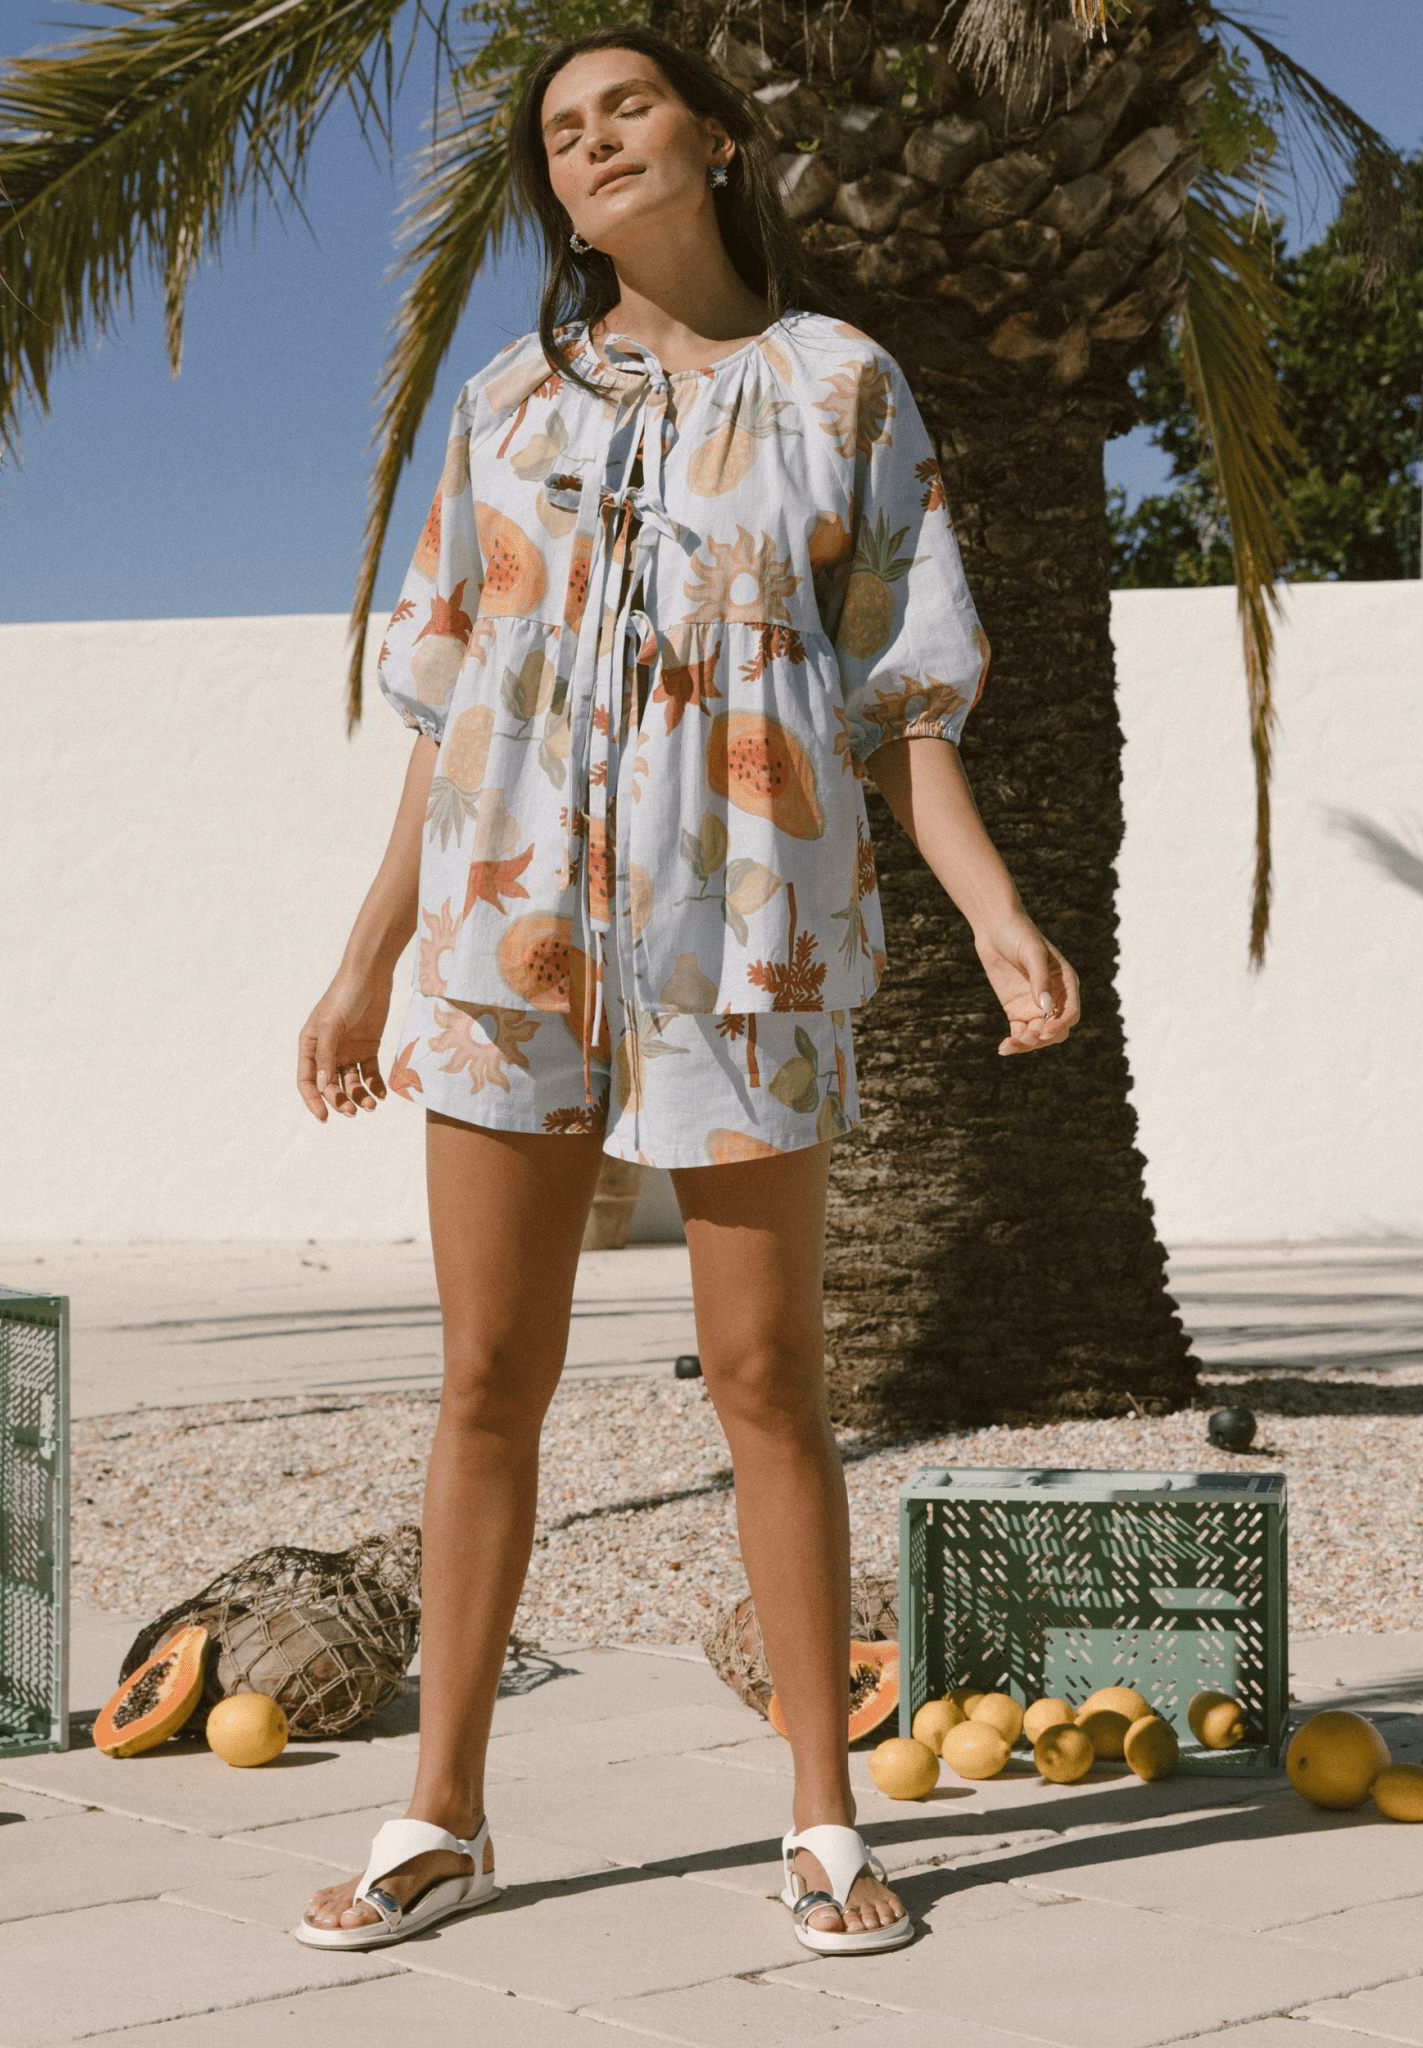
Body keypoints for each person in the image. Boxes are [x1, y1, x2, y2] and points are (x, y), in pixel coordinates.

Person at [292, 25, 1078, 1959]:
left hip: (750, 943)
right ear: (558, 200)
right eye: (561, 135)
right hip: (508, 941)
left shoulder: (838, 383)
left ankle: (819, 1816)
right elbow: (449, 704)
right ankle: (440, 1815)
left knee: (767, 1378)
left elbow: (899, 687)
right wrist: (368, 952)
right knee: (486, 1379)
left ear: (713, 139)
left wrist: (990, 906)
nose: (592, 144)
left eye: (624, 107)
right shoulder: (504, 402)